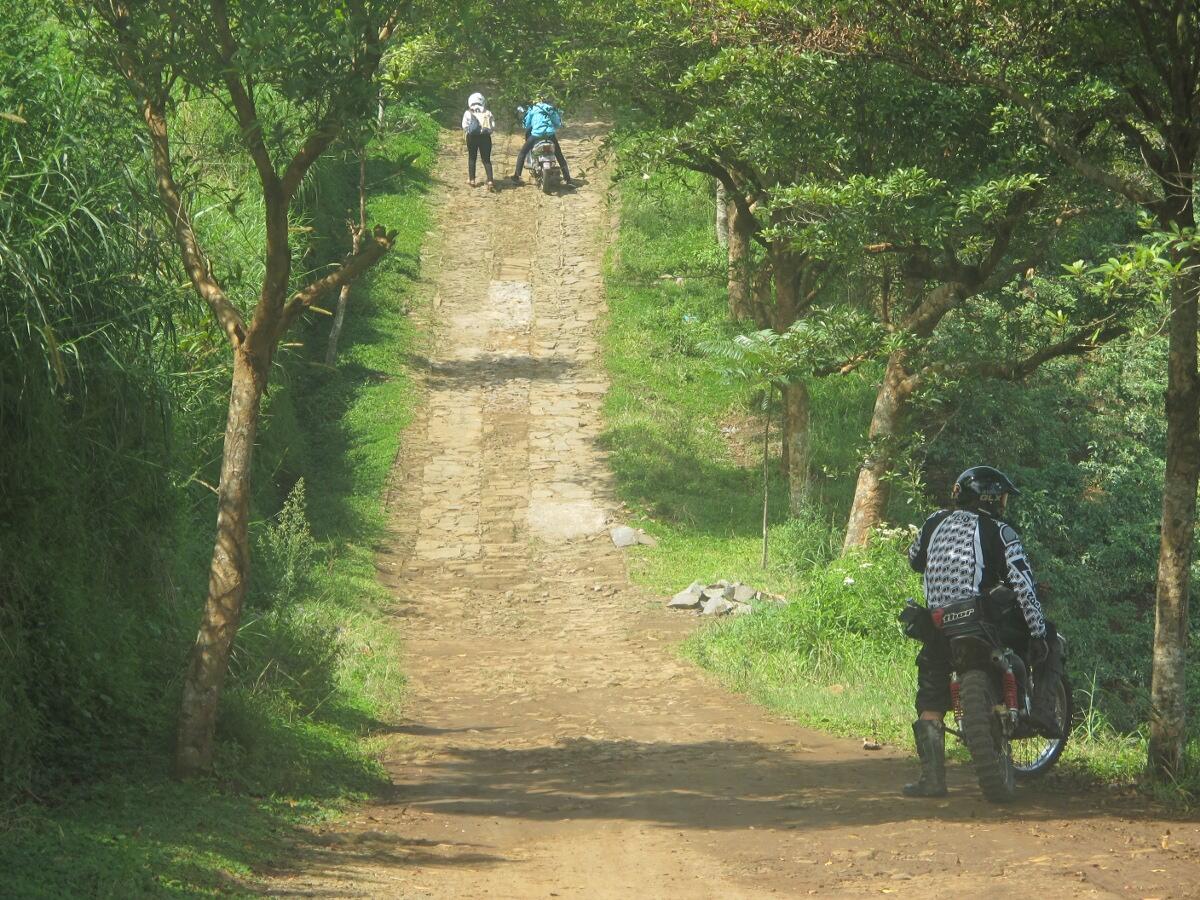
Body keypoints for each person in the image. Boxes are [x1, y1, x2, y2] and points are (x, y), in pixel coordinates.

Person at [901, 465, 1065, 797]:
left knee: (931, 694)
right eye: (1002, 498)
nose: (1004, 505)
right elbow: (1022, 585)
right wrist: (1037, 633)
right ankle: (1045, 713)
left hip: (937, 623)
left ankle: (932, 780)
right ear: (990, 499)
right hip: (980, 621)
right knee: (1047, 635)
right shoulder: (1000, 531)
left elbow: (914, 559)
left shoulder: (934, 521)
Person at [511, 97, 573, 185]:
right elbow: (557, 122)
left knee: (522, 153)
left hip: (536, 135)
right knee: (559, 155)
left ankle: (516, 176)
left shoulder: (532, 109)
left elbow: (526, 124)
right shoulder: (550, 108)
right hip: (550, 135)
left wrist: (528, 124)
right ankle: (568, 179)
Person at [461, 92, 495, 191]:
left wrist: (470, 131)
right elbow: (493, 126)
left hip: (472, 138)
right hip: (485, 138)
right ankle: (490, 181)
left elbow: (464, 125)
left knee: (472, 158)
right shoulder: (487, 112)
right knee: (486, 160)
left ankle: (472, 180)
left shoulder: (468, 112)